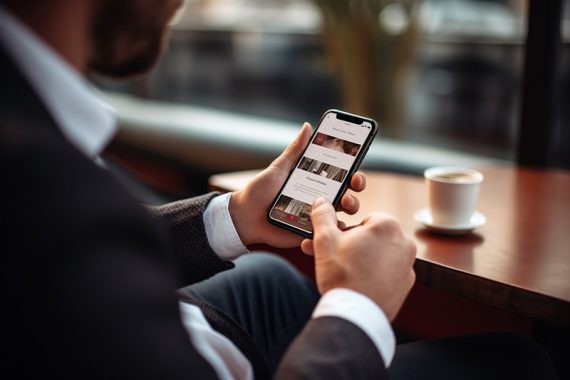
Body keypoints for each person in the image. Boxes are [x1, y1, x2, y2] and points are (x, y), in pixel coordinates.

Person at [0, 1, 558, 379]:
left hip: (188, 322)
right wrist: (358, 304)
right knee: (515, 360)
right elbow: (75, 240)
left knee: (269, 276)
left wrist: (236, 216)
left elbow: (100, 254)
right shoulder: (40, 182)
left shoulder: (34, 136)